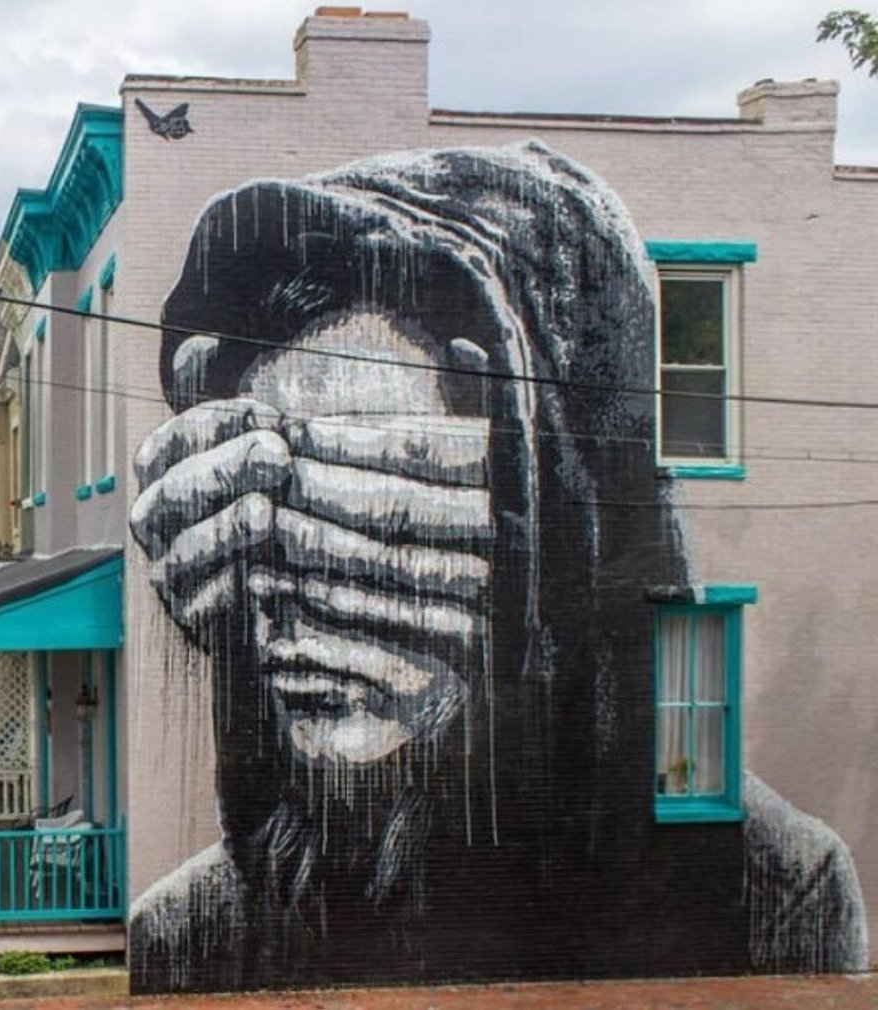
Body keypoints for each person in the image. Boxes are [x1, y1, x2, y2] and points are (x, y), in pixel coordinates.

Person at [128, 141, 867, 993]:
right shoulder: (192, 932)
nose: (287, 599)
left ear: (543, 519)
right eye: (263, 519)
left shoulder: (771, 892)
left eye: (371, 499)